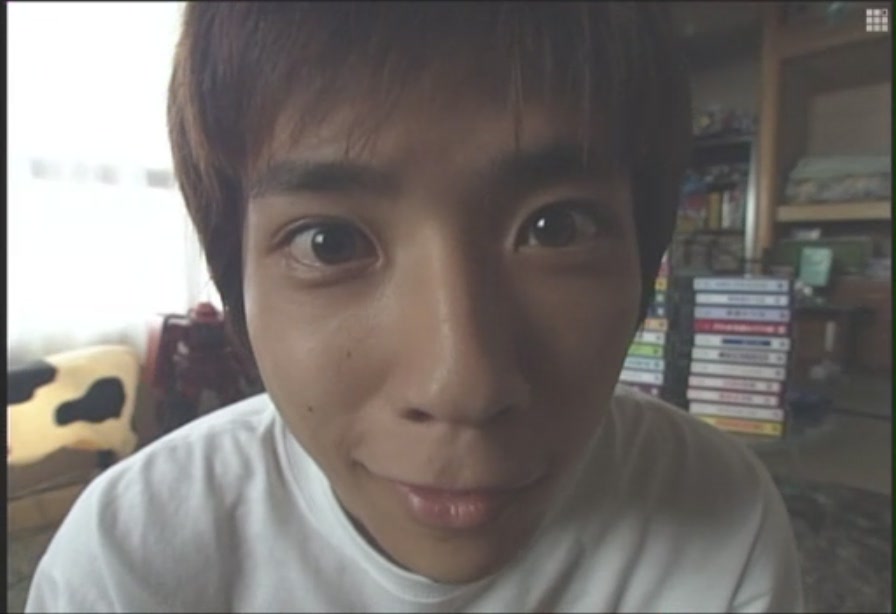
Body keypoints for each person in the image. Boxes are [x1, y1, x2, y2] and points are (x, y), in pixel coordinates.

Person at [26, 3, 804, 612]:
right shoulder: (132, 559)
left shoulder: (720, 522)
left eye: (556, 228)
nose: (461, 387)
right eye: (330, 242)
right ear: (237, 289)